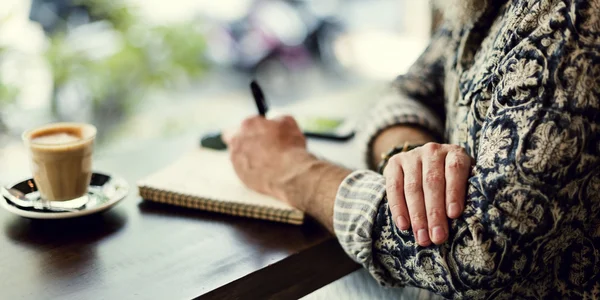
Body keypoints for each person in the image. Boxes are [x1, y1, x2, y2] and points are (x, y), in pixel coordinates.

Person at [225, 0, 600, 298]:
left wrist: (295, 172)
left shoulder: (574, 17)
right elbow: (410, 89)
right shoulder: (481, 6)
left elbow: (480, 250)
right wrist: (408, 158)